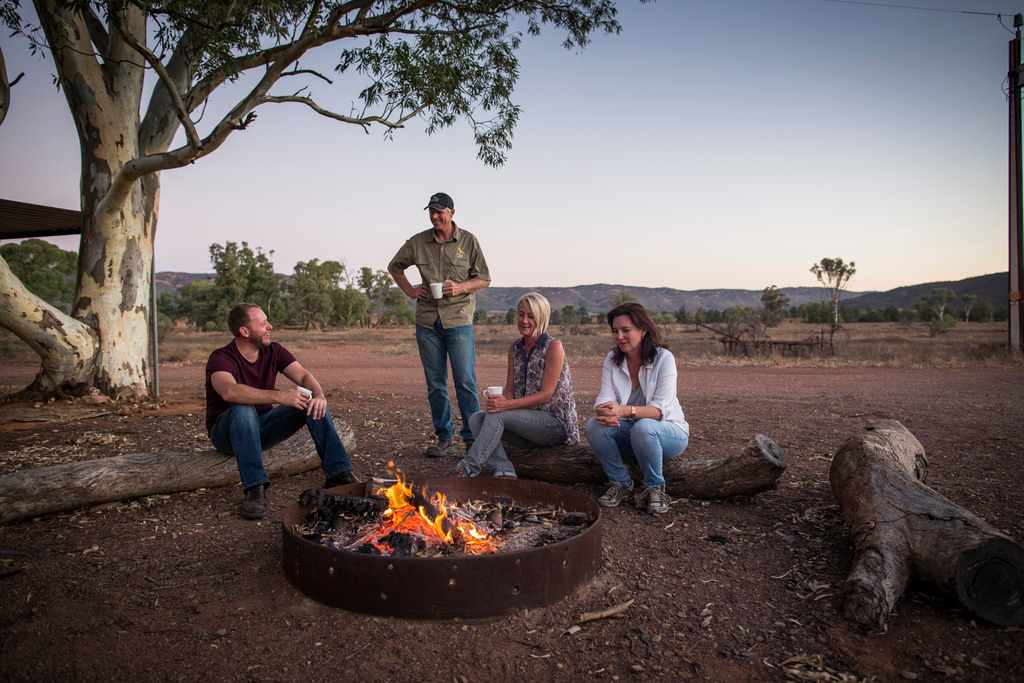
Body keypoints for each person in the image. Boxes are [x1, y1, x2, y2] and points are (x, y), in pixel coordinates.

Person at [205, 303, 356, 520]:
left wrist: (319, 395)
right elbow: (229, 391)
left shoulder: (274, 350)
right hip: (227, 434)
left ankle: (339, 474)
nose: (270, 326)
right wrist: (278, 396)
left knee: (310, 400)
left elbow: (303, 377)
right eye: (263, 323)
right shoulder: (221, 358)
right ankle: (255, 489)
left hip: (262, 427)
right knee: (242, 407)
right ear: (245, 331)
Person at [388, 192, 491, 458]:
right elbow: (395, 266)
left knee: (465, 382)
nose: (435, 216)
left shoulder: (468, 241)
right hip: (427, 322)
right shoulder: (418, 242)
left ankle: (472, 439)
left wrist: (461, 287)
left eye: (440, 211)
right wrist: (411, 291)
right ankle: (444, 438)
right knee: (436, 383)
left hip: (458, 320)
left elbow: (484, 278)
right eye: (431, 212)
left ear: (452, 213)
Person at [456, 292, 580, 478]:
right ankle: (504, 469)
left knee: (498, 416)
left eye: (531, 316)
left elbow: (546, 394)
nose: (524, 320)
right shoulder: (515, 348)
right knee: (476, 418)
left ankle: (469, 466)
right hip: (526, 426)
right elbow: (510, 392)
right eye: (521, 314)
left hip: (554, 425)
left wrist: (505, 406)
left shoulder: (553, 346)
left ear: (542, 318)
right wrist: (498, 401)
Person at [585, 302, 689, 514]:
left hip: (668, 432)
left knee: (644, 427)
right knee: (595, 426)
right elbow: (604, 397)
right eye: (615, 331)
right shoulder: (612, 360)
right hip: (632, 433)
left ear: (643, 329)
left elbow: (660, 410)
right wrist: (605, 412)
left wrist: (623, 411)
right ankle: (621, 483)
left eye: (626, 330)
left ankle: (655, 487)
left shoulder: (664, 359)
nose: (619, 336)